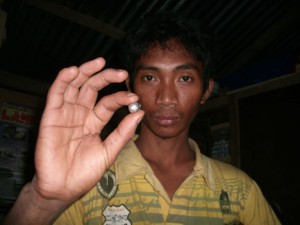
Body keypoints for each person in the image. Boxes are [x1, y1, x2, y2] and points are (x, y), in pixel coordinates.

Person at [3, 12, 281, 225]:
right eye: (150, 77)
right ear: (130, 88)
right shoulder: (85, 179)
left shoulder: (240, 190)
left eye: (185, 78)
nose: (166, 97)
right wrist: (43, 200)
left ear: (206, 90)